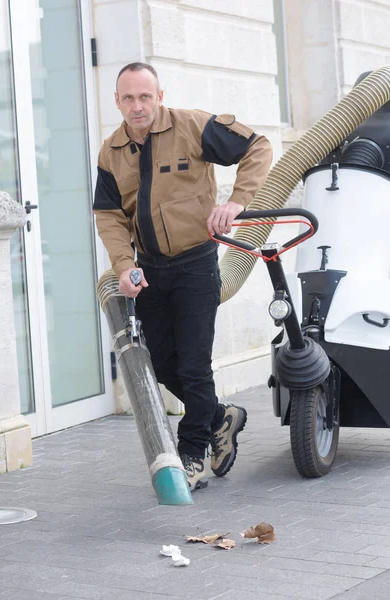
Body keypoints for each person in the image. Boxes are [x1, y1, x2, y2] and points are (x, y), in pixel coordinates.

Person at [93, 62, 273, 491]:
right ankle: (219, 417)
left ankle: (192, 454)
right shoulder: (111, 152)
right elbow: (109, 215)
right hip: (150, 271)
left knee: (193, 365)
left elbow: (258, 147)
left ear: (159, 96)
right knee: (160, 362)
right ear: (116, 102)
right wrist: (123, 266)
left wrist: (238, 202)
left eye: (145, 96)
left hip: (196, 263)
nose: (138, 106)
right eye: (129, 98)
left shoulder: (193, 126)